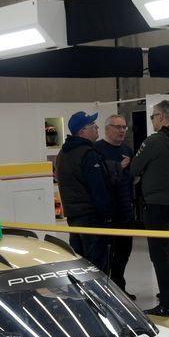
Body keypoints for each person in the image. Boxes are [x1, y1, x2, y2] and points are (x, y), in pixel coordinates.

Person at [130, 100, 169, 316]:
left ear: (162, 117)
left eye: (153, 117)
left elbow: (134, 168)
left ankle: (166, 303)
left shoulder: (153, 141)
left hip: (158, 205)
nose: (152, 121)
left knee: (160, 255)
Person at [54, 111, 115, 273]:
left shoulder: (62, 154)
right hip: (92, 218)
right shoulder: (88, 154)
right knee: (97, 266)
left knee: (80, 265)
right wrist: (107, 216)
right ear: (82, 131)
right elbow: (98, 188)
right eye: (92, 125)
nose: (97, 127)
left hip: (73, 217)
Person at [94, 114, 136, 299]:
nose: (122, 130)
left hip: (126, 210)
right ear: (107, 129)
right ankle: (104, 291)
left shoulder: (127, 149)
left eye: (124, 127)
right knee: (107, 254)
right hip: (107, 213)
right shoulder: (97, 150)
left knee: (124, 252)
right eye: (118, 127)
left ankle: (119, 287)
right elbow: (99, 180)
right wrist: (119, 166)